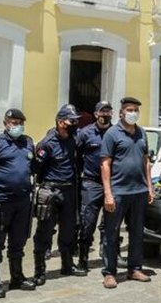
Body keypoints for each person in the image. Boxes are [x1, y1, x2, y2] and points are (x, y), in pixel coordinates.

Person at [100, 96, 153, 288]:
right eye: (129, 110)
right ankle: (109, 272)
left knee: (137, 232)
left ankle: (135, 268)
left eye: (136, 110)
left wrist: (149, 187)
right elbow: (105, 164)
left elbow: (146, 161)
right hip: (118, 191)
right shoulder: (112, 134)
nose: (133, 113)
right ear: (121, 113)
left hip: (139, 191)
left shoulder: (142, 133)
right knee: (111, 233)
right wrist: (108, 193)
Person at [0, 109, 37, 299]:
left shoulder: (28, 142)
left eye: (20, 123)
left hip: (22, 201)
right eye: (13, 123)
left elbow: (32, 167)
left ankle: (17, 277)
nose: (17, 126)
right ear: (5, 124)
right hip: (1, 201)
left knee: (18, 242)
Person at [32, 104, 89, 286]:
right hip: (51, 190)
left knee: (69, 230)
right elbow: (37, 168)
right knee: (44, 232)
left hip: (70, 190)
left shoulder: (74, 140)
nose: (75, 124)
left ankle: (67, 265)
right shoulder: (47, 143)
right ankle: (39, 271)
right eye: (72, 121)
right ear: (60, 122)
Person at [76, 101, 114, 272]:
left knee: (110, 223)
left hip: (112, 183)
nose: (105, 115)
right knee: (87, 222)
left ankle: (109, 257)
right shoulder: (85, 133)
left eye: (108, 112)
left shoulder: (116, 132)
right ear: (96, 113)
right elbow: (77, 157)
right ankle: (83, 259)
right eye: (102, 112)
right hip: (91, 183)